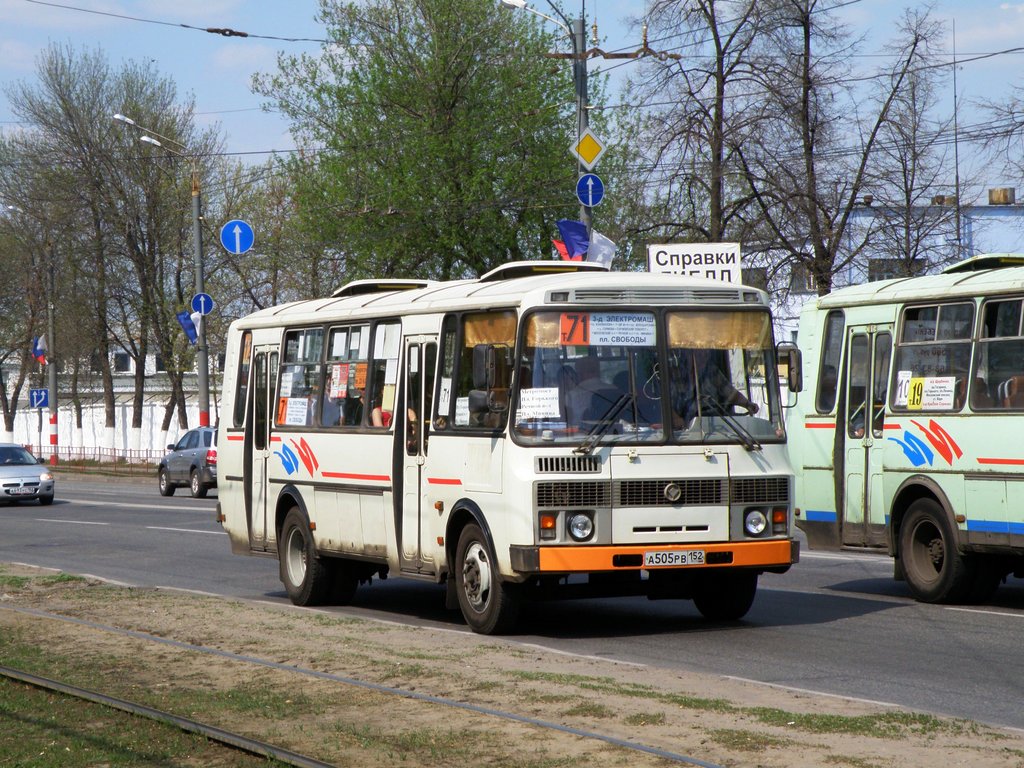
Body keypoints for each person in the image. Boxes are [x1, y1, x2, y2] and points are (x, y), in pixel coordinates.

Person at [671, 348, 758, 424]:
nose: (704, 356)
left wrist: (747, 404)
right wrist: (676, 419)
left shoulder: (711, 372)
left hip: (714, 425)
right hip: (688, 430)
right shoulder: (678, 375)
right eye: (700, 352)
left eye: (706, 353)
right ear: (689, 354)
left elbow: (731, 394)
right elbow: (666, 404)